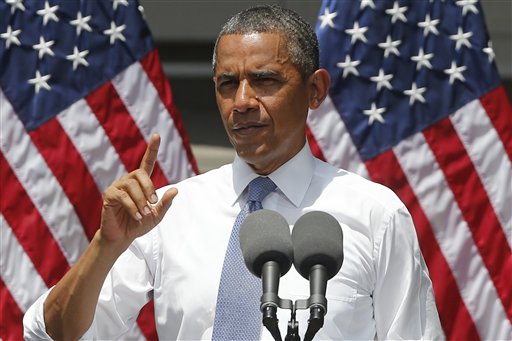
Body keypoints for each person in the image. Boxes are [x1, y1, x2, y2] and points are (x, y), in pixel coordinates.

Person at [24, 4, 444, 340]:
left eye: (264, 80)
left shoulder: (375, 214)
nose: (241, 101)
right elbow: (54, 334)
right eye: (227, 83)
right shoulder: (168, 212)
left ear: (314, 90)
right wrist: (104, 246)